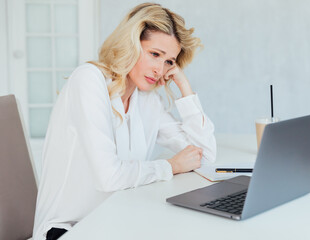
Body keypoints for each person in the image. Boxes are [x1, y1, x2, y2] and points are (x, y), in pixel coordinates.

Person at [32, 3, 216, 240]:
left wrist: (183, 84)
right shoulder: (89, 80)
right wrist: (171, 166)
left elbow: (206, 157)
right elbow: (109, 176)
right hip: (69, 229)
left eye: (169, 61)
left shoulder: (146, 99)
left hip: (118, 220)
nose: (160, 69)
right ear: (131, 43)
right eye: (154, 54)